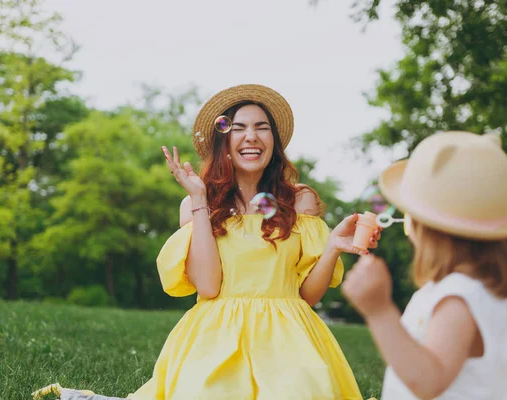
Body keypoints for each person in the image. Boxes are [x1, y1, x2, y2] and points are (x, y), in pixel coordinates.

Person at [125, 84, 381, 400]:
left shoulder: (300, 200)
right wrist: (199, 199)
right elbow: (207, 286)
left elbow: (307, 296)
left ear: (274, 141)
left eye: (262, 128)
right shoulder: (197, 204)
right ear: (224, 142)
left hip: (289, 341)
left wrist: (331, 248)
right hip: (215, 339)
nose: (252, 136)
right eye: (238, 128)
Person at [341, 131, 507, 400]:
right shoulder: (487, 289)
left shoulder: (459, 297)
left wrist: (378, 310)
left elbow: (428, 382)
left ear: (429, 227)